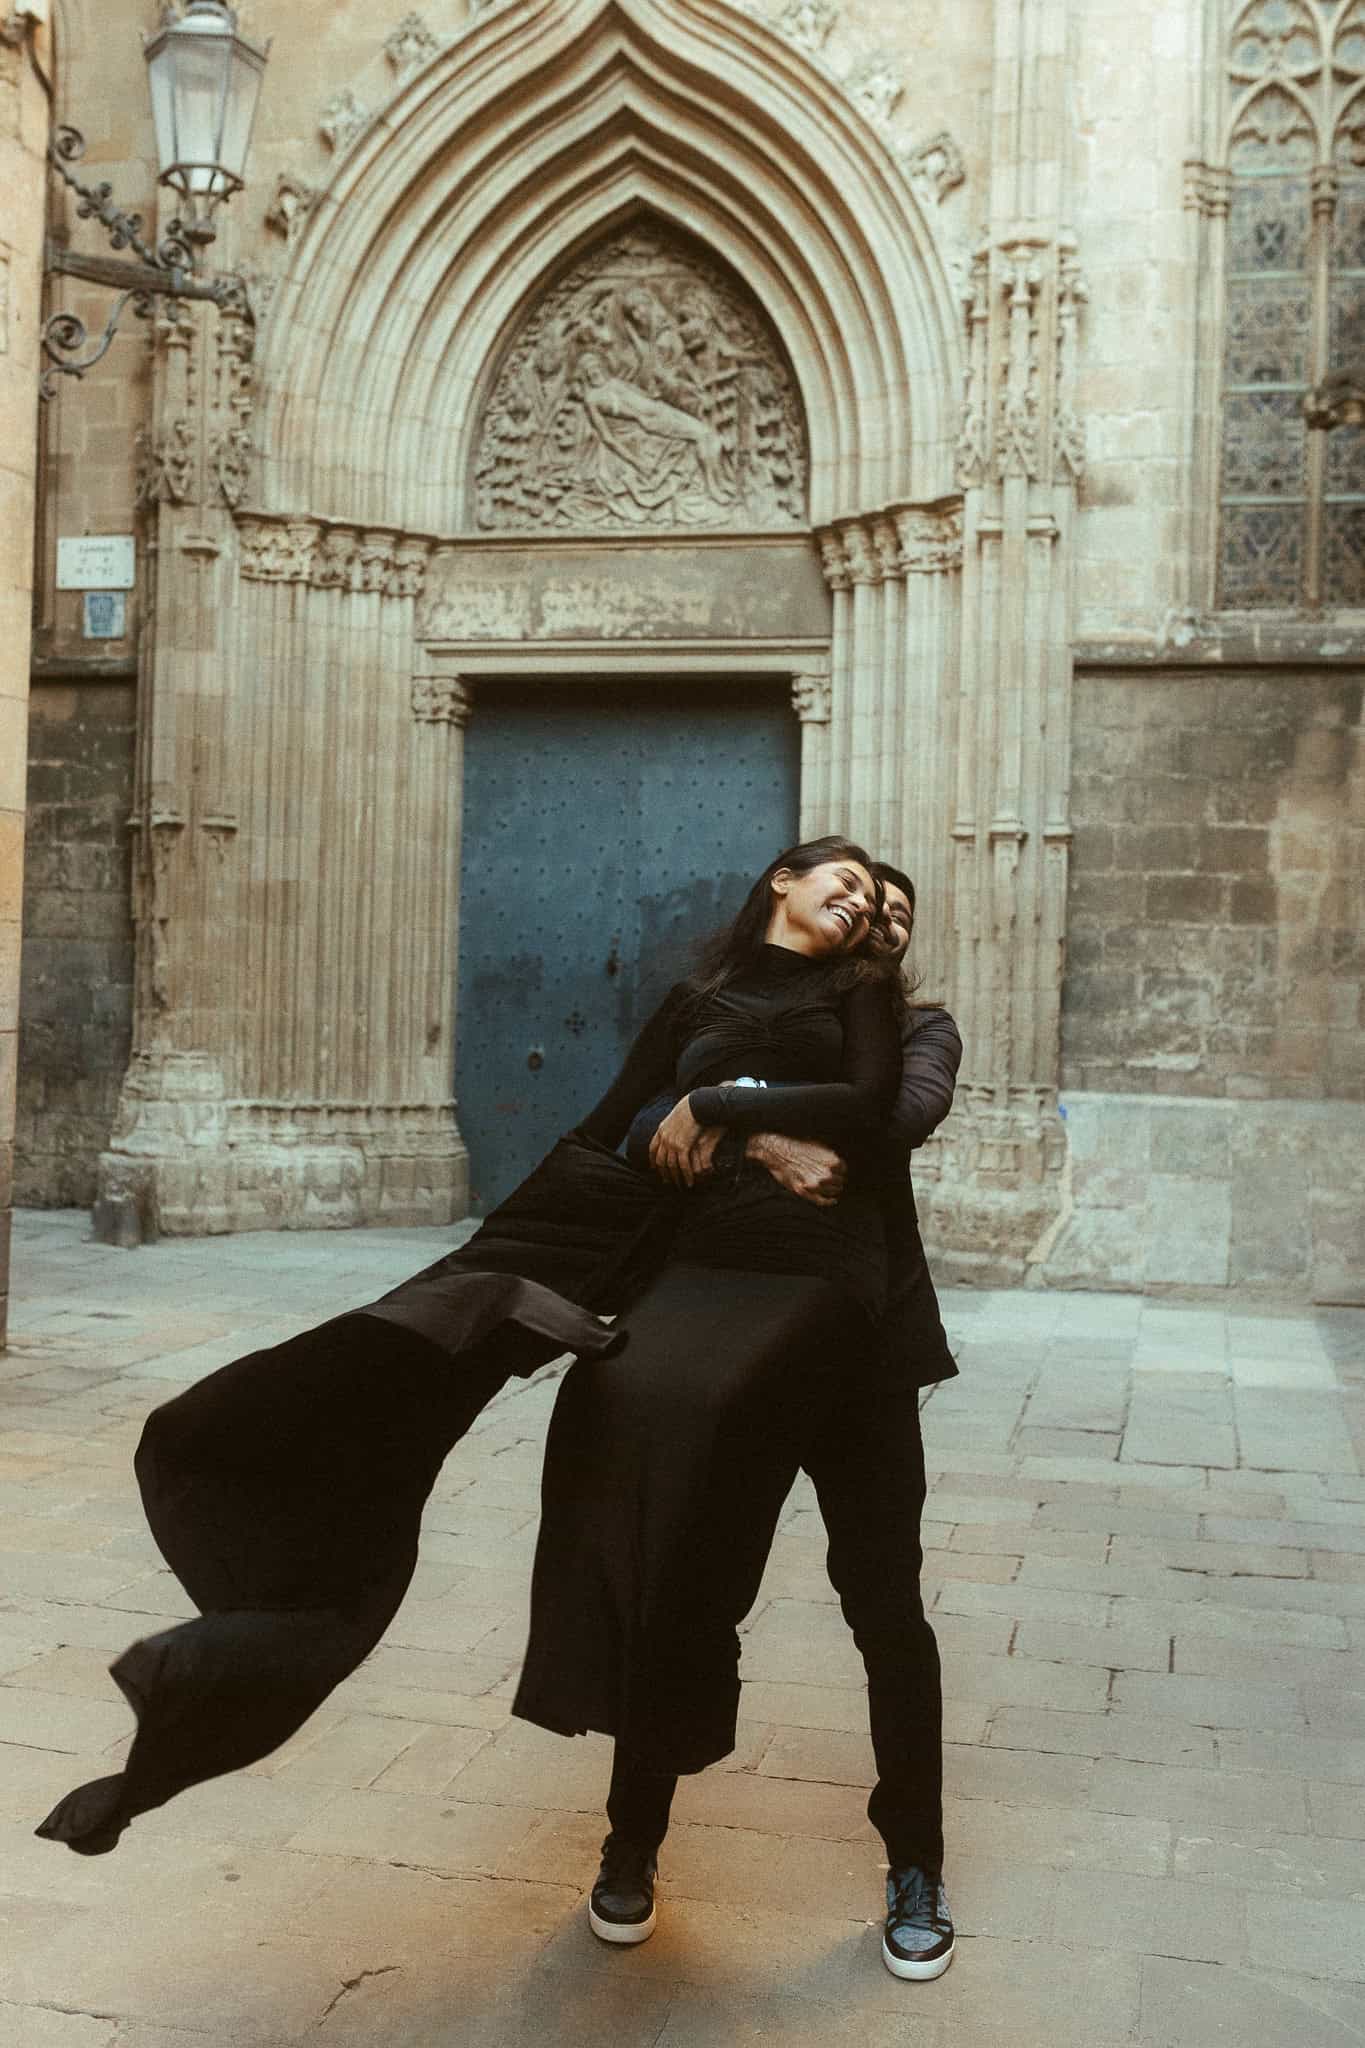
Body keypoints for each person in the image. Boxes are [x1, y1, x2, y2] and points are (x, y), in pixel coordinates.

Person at [34, 837, 891, 1866]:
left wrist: (723, 1109)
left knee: (667, 1482)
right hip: (599, 1225)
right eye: (841, 877)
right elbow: (613, 1122)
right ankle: (236, 1662)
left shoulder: (862, 989)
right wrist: (683, 1139)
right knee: (375, 1388)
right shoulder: (694, 994)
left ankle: (640, 1800)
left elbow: (868, 1105)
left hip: (750, 1268)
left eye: (872, 894)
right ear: (783, 880)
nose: (857, 899)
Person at [571, 865, 963, 1981]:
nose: (875, 929)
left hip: (862, 1360)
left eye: (896, 919)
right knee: (690, 1590)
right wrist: (742, 1129)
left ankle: (917, 1863)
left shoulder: (917, 1029)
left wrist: (725, 1108)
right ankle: (631, 1843)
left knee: (887, 1608)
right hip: (733, 1342)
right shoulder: (755, 1013)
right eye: (863, 909)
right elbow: (637, 1116)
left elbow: (892, 1119)